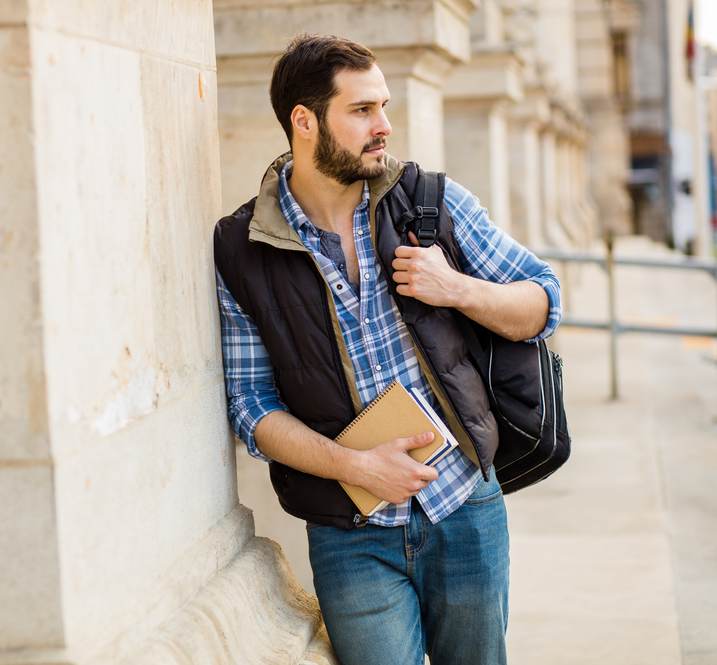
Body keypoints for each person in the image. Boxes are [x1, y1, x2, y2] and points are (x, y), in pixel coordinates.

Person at [213, 34, 561, 665]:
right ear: (305, 121)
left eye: (385, 106)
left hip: (465, 509)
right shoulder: (243, 248)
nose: (385, 126)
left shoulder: (429, 202)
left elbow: (542, 302)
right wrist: (357, 468)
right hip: (352, 536)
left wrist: (456, 288)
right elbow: (250, 406)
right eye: (363, 110)